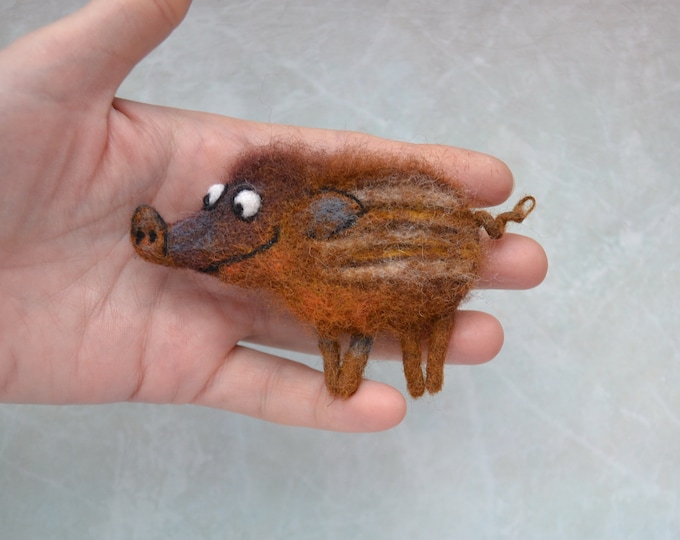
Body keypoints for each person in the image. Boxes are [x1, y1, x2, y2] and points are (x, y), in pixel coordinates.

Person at [0, 0, 547, 432]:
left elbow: (353, 313)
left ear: (323, 219)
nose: (209, 227)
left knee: (360, 326)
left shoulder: (333, 245)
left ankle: (417, 357)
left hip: (424, 249)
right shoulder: (307, 268)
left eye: (241, 211)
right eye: (216, 203)